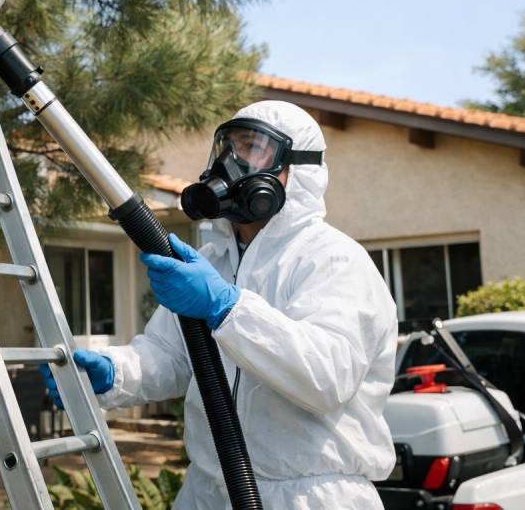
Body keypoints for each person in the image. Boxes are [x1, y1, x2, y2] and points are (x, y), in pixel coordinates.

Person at [42, 100, 398, 509]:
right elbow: (171, 357)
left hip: (307, 496)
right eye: (227, 147)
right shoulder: (212, 260)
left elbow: (325, 378)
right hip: (209, 490)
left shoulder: (332, 259)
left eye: (251, 148)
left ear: (294, 171)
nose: (230, 162)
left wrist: (227, 308)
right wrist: (113, 372)